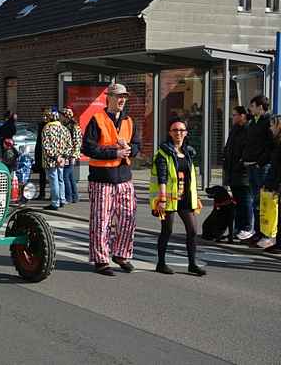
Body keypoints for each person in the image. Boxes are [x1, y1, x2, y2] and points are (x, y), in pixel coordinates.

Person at [82, 83, 140, 276]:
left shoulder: (130, 121)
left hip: (124, 177)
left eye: (124, 96)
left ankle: (121, 254)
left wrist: (131, 149)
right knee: (101, 220)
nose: (122, 99)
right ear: (109, 98)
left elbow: (137, 145)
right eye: (118, 96)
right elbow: (88, 148)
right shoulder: (97, 119)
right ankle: (101, 260)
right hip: (101, 179)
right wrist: (115, 152)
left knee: (128, 218)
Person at [151, 118, 206, 276]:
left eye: (182, 130)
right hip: (168, 198)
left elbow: (191, 177)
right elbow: (161, 177)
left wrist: (195, 197)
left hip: (186, 198)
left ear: (186, 133)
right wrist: (161, 199)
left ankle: (192, 264)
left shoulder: (188, 152)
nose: (178, 133)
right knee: (167, 230)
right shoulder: (163, 152)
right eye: (175, 130)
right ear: (170, 133)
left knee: (193, 230)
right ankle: (161, 263)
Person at [242, 95, 274, 244]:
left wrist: (261, 162)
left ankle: (265, 233)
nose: (250, 109)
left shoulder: (268, 121)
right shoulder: (253, 121)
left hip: (261, 166)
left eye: (252, 106)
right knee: (255, 200)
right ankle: (257, 232)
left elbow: (270, 145)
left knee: (263, 200)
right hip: (251, 164)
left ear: (260, 107)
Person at [223, 106, 252, 239]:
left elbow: (246, 150)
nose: (232, 117)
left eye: (235, 115)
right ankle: (238, 227)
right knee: (237, 201)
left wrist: (240, 164)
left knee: (245, 200)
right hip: (232, 170)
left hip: (242, 172)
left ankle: (246, 227)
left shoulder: (248, 129)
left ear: (242, 116)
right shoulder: (235, 129)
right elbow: (230, 146)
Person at [41, 110, 70, 211]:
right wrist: (63, 157)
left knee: (54, 181)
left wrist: (55, 157)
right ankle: (62, 199)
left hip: (50, 160)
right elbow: (69, 145)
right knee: (61, 179)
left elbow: (45, 145)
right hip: (61, 160)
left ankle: (55, 202)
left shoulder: (47, 128)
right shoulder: (64, 129)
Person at [260, 115, 281, 252]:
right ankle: (278, 243)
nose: (270, 128)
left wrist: (276, 186)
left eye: (273, 125)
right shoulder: (276, 142)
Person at [60, 108, 82, 204]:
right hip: (67, 154)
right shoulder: (66, 126)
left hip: (70, 155)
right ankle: (75, 196)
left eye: (62, 115)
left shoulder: (74, 127)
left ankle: (68, 197)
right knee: (70, 177)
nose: (60, 117)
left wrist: (73, 156)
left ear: (66, 116)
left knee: (65, 176)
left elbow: (77, 142)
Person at [34, 109, 50, 200]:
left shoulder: (49, 126)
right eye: (43, 116)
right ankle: (42, 193)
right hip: (40, 152)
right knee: (42, 175)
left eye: (45, 116)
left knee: (51, 176)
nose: (43, 117)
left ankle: (53, 195)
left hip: (47, 154)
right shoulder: (41, 125)